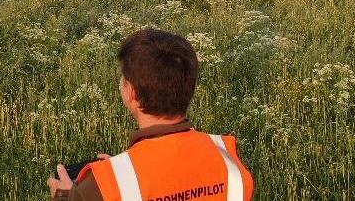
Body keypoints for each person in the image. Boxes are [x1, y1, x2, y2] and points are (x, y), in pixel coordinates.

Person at [48, 29, 255, 201]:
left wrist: (65, 196)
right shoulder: (229, 160)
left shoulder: (96, 189)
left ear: (131, 93)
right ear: (190, 87)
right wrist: (125, 173)